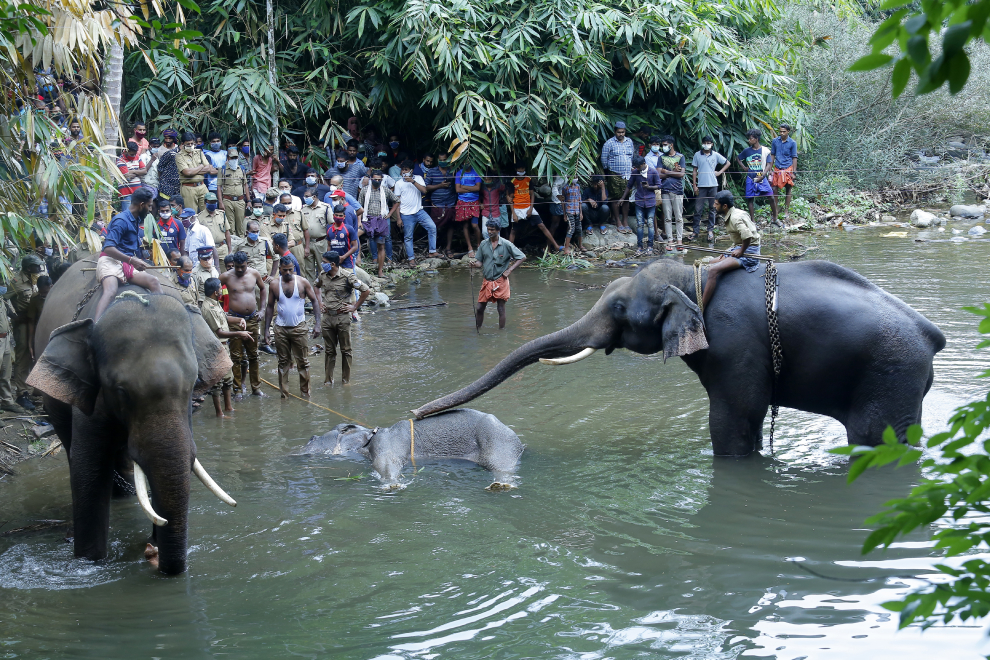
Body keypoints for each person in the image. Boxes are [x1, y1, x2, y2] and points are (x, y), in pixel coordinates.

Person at [93, 188, 163, 320]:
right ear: (141, 205)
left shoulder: (136, 219)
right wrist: (132, 260)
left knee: (154, 281)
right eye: (149, 206)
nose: (150, 210)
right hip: (110, 260)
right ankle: (95, 326)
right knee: (111, 291)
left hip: (126, 262)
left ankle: (161, 317)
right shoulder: (121, 221)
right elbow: (108, 248)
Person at [264, 256, 321, 398]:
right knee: (283, 362)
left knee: (303, 362)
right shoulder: (275, 284)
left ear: (294, 268)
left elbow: (314, 301)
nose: (288, 273)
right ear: (280, 269)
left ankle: (305, 394)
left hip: (299, 328)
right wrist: (266, 330)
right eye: (285, 270)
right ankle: (284, 395)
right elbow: (270, 306)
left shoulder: (302, 282)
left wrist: (318, 324)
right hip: (280, 328)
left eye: (290, 269)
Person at [201, 277, 254, 418]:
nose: (222, 290)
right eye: (220, 288)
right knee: (217, 381)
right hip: (215, 348)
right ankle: (219, 414)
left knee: (228, 379)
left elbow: (224, 318)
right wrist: (239, 333)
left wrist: (239, 319)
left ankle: (228, 408)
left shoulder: (215, 303)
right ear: (215, 292)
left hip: (224, 347)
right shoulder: (208, 308)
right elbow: (219, 332)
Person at [315, 251, 369, 385]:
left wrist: (354, 307)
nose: (322, 264)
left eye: (324, 262)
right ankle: (328, 381)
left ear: (333, 264)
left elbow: (366, 290)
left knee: (346, 350)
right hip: (327, 317)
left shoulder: (347, 277)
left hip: (342, 317)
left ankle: (346, 381)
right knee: (329, 351)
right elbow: (316, 286)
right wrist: (320, 302)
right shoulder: (323, 275)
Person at [701, 191, 762, 309]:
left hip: (749, 252)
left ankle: (701, 307)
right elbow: (740, 238)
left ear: (724, 206)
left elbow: (747, 236)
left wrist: (741, 251)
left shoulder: (735, 218)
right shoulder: (735, 212)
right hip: (739, 247)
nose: (714, 206)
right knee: (710, 262)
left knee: (713, 270)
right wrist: (729, 251)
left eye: (716, 204)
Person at [220, 251, 268, 396]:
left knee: (253, 355)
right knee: (236, 356)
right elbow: (214, 293)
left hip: (253, 319)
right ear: (233, 264)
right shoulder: (225, 276)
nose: (240, 269)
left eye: (243, 266)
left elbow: (263, 288)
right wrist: (222, 313)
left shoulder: (254, 274)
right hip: (235, 320)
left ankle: (256, 388)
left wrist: (262, 309)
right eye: (237, 267)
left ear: (247, 263)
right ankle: (237, 389)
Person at [471, 219, 525, 330]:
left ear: (498, 230)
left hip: (501, 280)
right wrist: (474, 264)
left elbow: (522, 257)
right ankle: (478, 329)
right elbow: (480, 262)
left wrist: (509, 270)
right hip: (487, 280)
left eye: (492, 230)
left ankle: (502, 332)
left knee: (500, 308)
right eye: (488, 229)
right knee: (479, 308)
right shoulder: (483, 244)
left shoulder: (506, 244)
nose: (489, 232)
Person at [508, 163, 560, 252]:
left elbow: (532, 195)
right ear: (516, 170)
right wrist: (514, 213)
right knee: (513, 231)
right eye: (519, 169)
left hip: (528, 207)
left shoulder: (528, 179)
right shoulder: (513, 181)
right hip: (517, 208)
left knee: (542, 226)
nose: (521, 170)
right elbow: (510, 199)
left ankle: (556, 246)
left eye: (522, 168)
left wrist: (531, 209)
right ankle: (509, 252)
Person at [358, 170, 399, 277]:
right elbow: (359, 207)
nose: (377, 181)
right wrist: (359, 221)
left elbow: (397, 201)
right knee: (355, 235)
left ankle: (380, 271)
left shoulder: (385, 189)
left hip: (380, 220)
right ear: (371, 179)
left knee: (381, 245)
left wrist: (390, 214)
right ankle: (358, 260)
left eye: (379, 180)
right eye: (375, 179)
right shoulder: (364, 190)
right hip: (367, 220)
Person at [691, 136, 730, 243]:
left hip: (713, 185)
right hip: (701, 185)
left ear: (712, 144)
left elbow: (727, 163)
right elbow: (694, 170)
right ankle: (695, 231)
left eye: (709, 143)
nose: (706, 145)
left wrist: (720, 172)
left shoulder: (715, 155)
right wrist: (694, 185)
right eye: (705, 143)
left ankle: (710, 230)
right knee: (698, 209)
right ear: (702, 143)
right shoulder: (697, 155)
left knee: (712, 208)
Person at [618, 155, 660, 254]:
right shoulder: (635, 172)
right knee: (640, 224)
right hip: (639, 201)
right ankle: (640, 246)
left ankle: (650, 246)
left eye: (638, 166)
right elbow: (629, 186)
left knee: (650, 223)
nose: (637, 168)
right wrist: (623, 198)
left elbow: (659, 185)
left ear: (643, 164)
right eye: (636, 167)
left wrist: (649, 187)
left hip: (650, 201)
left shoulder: (653, 172)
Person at [737, 128, 778, 226]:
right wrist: (744, 167)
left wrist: (763, 175)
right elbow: (738, 158)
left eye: (751, 138)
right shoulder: (747, 151)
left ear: (756, 139)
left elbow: (769, 164)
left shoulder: (764, 150)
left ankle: (775, 218)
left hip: (761, 175)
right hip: (750, 176)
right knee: (750, 199)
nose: (749, 140)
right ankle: (753, 221)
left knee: (771, 196)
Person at [600, 121, 635, 234]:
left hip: (627, 174)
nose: (621, 134)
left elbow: (632, 156)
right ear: (615, 131)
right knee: (615, 197)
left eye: (623, 132)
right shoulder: (609, 143)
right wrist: (609, 172)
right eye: (619, 132)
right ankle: (618, 221)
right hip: (614, 174)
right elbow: (604, 160)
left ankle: (625, 221)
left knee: (626, 198)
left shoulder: (629, 141)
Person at [0, 281, 27, 413]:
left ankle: (7, 401)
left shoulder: (2, 299)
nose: (4, 286)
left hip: (5, 338)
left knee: (5, 372)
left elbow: (12, 314)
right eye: (1, 283)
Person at [174, 132, 215, 212]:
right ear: (182, 144)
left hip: (202, 186)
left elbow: (208, 168)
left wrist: (192, 171)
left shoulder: (199, 152)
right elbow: (187, 173)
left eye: (192, 143)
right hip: (188, 188)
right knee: (191, 213)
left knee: (208, 212)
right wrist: (201, 166)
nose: (190, 145)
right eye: (188, 144)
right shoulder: (179, 156)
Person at [657, 135, 686, 251]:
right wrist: (673, 172)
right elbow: (659, 175)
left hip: (677, 190)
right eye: (663, 145)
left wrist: (666, 171)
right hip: (665, 190)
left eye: (665, 145)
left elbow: (681, 174)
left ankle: (679, 240)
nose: (663, 147)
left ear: (671, 145)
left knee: (678, 217)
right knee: (667, 217)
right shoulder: (661, 157)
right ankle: (670, 240)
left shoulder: (680, 157)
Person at [424, 153, 457, 250]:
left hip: (450, 203)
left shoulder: (453, 171)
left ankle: (448, 248)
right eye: (440, 160)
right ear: (437, 160)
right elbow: (426, 187)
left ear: (448, 160)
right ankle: (434, 248)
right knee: (434, 226)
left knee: (450, 226)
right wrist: (440, 185)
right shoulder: (432, 171)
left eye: (444, 160)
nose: (442, 162)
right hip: (437, 204)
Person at [299, 191, 332, 282]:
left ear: (314, 197)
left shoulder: (325, 207)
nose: (305, 198)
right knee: (308, 269)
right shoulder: (303, 208)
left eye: (307, 196)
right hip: (307, 242)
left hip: (321, 242)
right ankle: (311, 288)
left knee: (323, 266)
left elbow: (331, 224)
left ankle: (323, 287)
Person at [23, 275, 51, 380]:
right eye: (41, 293)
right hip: (41, 334)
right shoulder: (35, 299)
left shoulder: (59, 296)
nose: (43, 295)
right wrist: (30, 343)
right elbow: (31, 321)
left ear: (51, 286)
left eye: (46, 292)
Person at [770, 123, 798, 223]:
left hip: (788, 168)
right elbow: (772, 155)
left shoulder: (792, 143)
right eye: (780, 131)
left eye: (784, 132)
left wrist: (794, 172)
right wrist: (770, 169)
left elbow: (794, 157)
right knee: (774, 188)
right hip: (777, 167)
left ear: (788, 132)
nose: (782, 133)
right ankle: (775, 211)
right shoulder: (775, 141)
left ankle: (786, 211)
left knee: (788, 188)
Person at [453, 163, 482, 256]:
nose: (466, 164)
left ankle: (479, 245)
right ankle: (470, 248)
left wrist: (463, 187)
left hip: (474, 201)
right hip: (462, 201)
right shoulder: (459, 173)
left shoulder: (476, 172)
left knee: (474, 225)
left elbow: (478, 188)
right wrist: (472, 188)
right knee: (465, 225)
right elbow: (458, 190)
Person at [199, 192, 232, 265]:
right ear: (205, 203)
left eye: (214, 202)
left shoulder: (221, 214)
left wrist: (230, 249)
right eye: (210, 202)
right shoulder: (200, 217)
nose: (213, 204)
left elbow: (227, 232)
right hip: (209, 250)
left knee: (225, 269)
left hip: (222, 248)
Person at [327, 204, 360, 270]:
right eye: (336, 215)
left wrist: (343, 257)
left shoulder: (349, 229)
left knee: (350, 276)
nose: (338, 217)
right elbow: (329, 245)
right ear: (333, 216)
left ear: (344, 217)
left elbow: (355, 246)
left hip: (347, 262)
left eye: (340, 216)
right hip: (334, 263)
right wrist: (329, 258)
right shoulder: (329, 229)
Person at [116, 140, 147, 206]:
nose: (134, 156)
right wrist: (138, 171)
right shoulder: (120, 160)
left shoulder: (137, 157)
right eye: (132, 154)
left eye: (135, 154)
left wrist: (132, 171)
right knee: (127, 212)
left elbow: (145, 171)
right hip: (126, 193)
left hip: (138, 192)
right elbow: (127, 177)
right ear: (126, 151)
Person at [561, 175, 584, 255]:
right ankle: (566, 248)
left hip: (577, 210)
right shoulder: (565, 187)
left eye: (576, 177)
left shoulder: (578, 186)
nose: (575, 178)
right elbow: (563, 202)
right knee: (571, 228)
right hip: (569, 210)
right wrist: (564, 214)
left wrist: (581, 213)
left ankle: (580, 245)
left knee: (579, 228)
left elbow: (579, 200)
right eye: (573, 177)